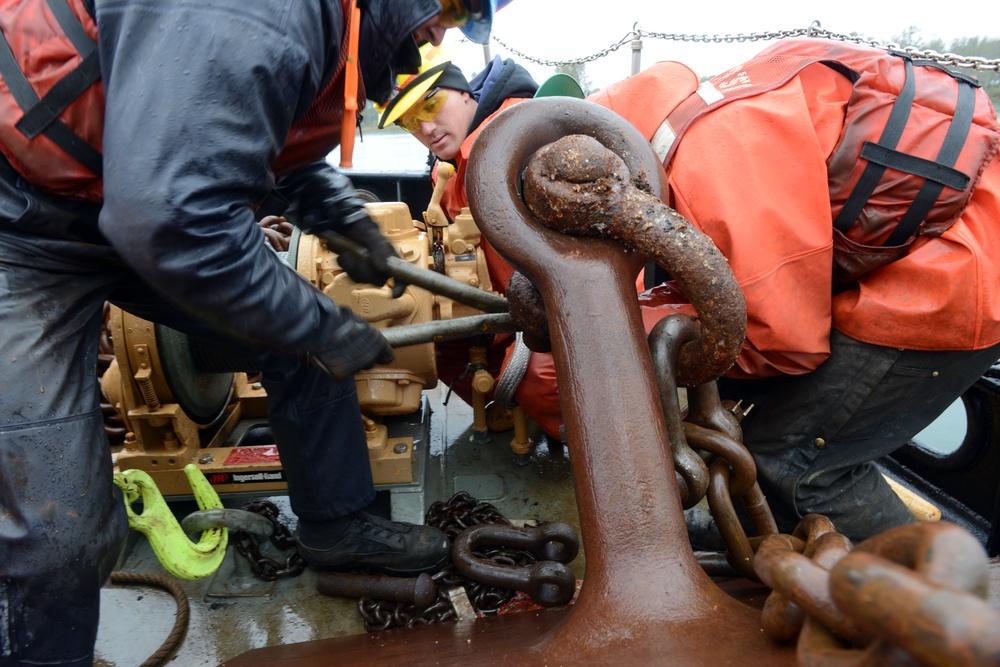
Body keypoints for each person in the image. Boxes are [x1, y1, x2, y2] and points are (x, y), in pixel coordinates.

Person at [0, 0, 498, 663]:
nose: (442, 33)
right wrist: (323, 325)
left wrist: (340, 216)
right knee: (59, 534)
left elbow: (232, 119)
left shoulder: (313, 23)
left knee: (293, 334)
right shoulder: (256, 12)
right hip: (24, 231)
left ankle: (337, 523)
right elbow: (167, 218)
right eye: (449, 8)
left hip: (117, 206)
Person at [512, 37, 1000, 544]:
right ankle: (757, 546)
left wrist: (636, 333)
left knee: (795, 468)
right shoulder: (702, 115)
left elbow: (783, 340)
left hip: (956, 280)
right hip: (946, 245)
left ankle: (935, 604)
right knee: (756, 432)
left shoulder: (708, 164)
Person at [376, 53, 540, 408]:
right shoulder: (445, 174)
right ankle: (499, 416)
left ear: (464, 91)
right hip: (504, 310)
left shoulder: (523, 134)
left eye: (431, 104)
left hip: (558, 311)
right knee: (427, 344)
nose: (427, 129)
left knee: (540, 385)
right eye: (410, 122)